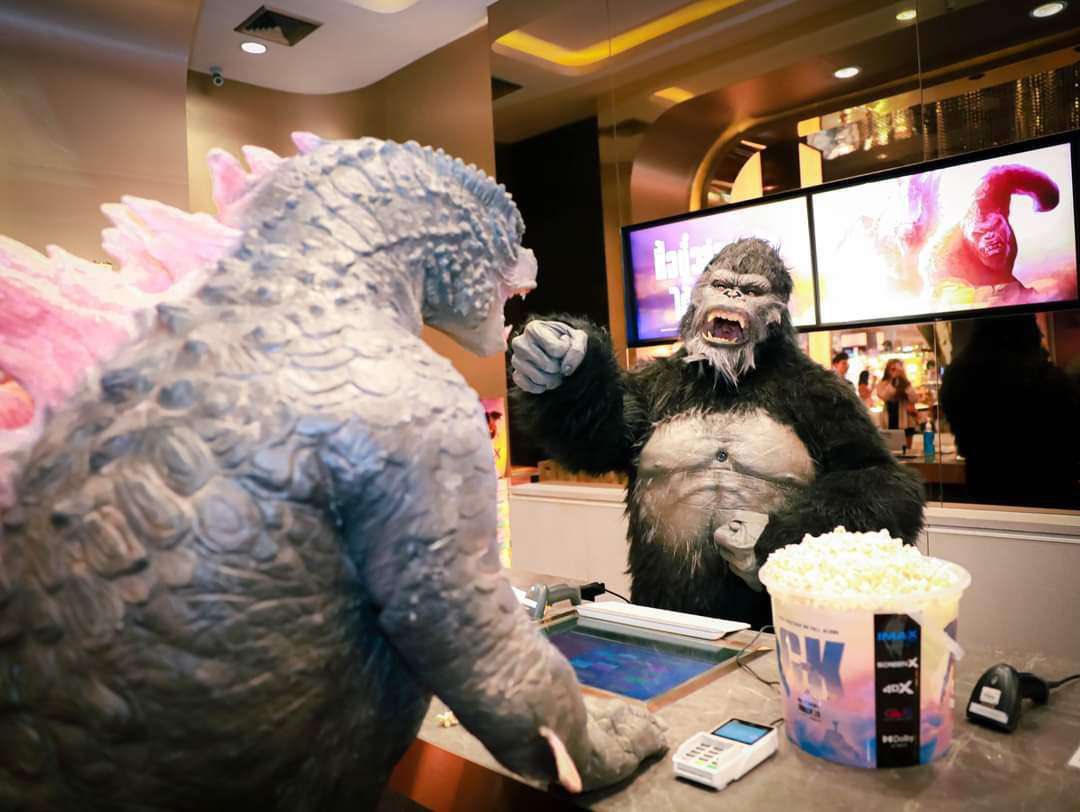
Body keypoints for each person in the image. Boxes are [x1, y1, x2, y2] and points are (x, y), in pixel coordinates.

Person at [876, 358, 919, 434]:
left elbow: (914, 399)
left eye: (898, 369)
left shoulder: (906, 383)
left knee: (906, 441)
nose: (896, 371)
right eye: (893, 369)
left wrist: (905, 383)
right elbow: (884, 397)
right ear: (887, 370)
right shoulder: (883, 384)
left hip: (906, 420)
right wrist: (893, 382)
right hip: (889, 419)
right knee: (891, 440)